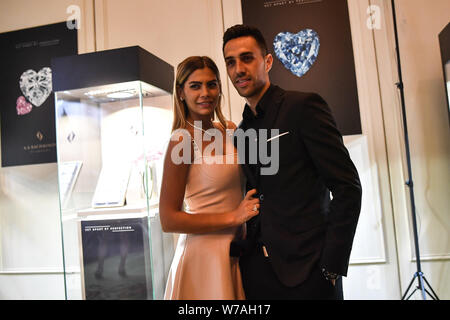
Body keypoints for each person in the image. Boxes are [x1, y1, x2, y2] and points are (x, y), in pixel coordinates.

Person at [223, 24, 362, 300]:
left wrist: (331, 267)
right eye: (230, 62)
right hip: (257, 275)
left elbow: (348, 187)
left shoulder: (304, 108)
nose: (238, 69)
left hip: (310, 273)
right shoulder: (240, 132)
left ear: (268, 61)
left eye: (247, 58)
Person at [160, 56, 259, 300]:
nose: (205, 93)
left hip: (237, 252)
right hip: (202, 258)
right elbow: (168, 220)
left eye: (212, 84)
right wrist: (234, 216)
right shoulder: (180, 141)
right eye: (195, 86)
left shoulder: (231, 130)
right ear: (181, 93)